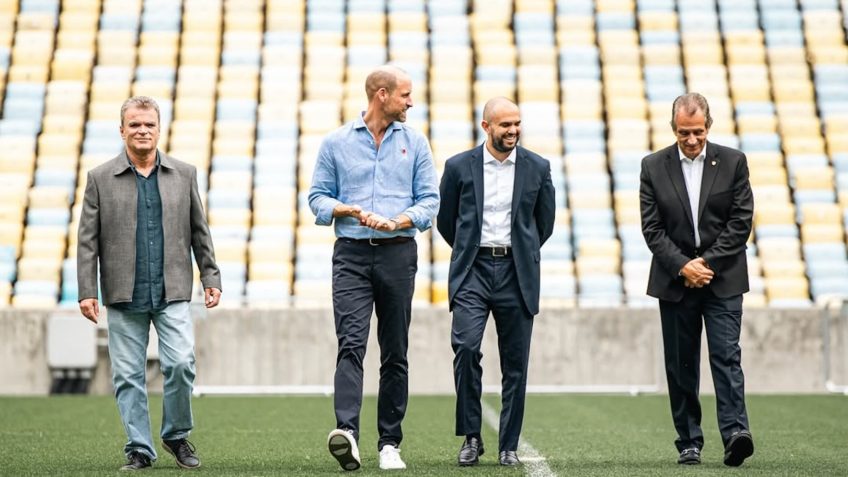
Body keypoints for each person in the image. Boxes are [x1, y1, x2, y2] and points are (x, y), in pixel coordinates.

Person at [77, 96, 222, 471]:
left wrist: (210, 275)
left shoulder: (185, 174)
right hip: (123, 293)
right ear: (122, 129)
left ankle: (176, 434)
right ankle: (139, 448)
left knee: (180, 364)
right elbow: (87, 240)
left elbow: (199, 231)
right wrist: (87, 290)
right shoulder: (99, 178)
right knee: (127, 375)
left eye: (149, 125)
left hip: (172, 289)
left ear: (160, 129)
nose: (143, 131)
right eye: (135, 125)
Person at [308, 65, 439, 471]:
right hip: (350, 254)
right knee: (351, 343)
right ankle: (346, 432)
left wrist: (398, 220)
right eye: (405, 95)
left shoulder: (416, 143)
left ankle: (389, 443)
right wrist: (342, 208)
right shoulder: (335, 143)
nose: (410, 102)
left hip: (399, 254)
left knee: (395, 349)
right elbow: (316, 197)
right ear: (381, 94)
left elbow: (429, 202)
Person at [437, 97, 555, 467]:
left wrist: (521, 252)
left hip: (516, 273)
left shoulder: (538, 167)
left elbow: (544, 223)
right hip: (473, 269)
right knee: (467, 348)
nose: (513, 131)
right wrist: (470, 252)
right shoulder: (458, 166)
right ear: (486, 126)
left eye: (517, 123)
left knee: (515, 364)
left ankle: (508, 444)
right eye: (505, 125)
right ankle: (472, 437)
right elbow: (447, 221)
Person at [639, 93, 755, 467]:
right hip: (674, 282)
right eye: (685, 133)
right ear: (673, 128)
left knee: (726, 356)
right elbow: (652, 228)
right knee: (681, 364)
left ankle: (736, 433)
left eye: (699, 132)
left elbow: (741, 222)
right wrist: (683, 266)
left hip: (723, 280)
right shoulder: (653, 166)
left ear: (709, 125)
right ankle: (689, 440)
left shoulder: (734, 162)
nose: (692, 140)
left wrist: (705, 264)